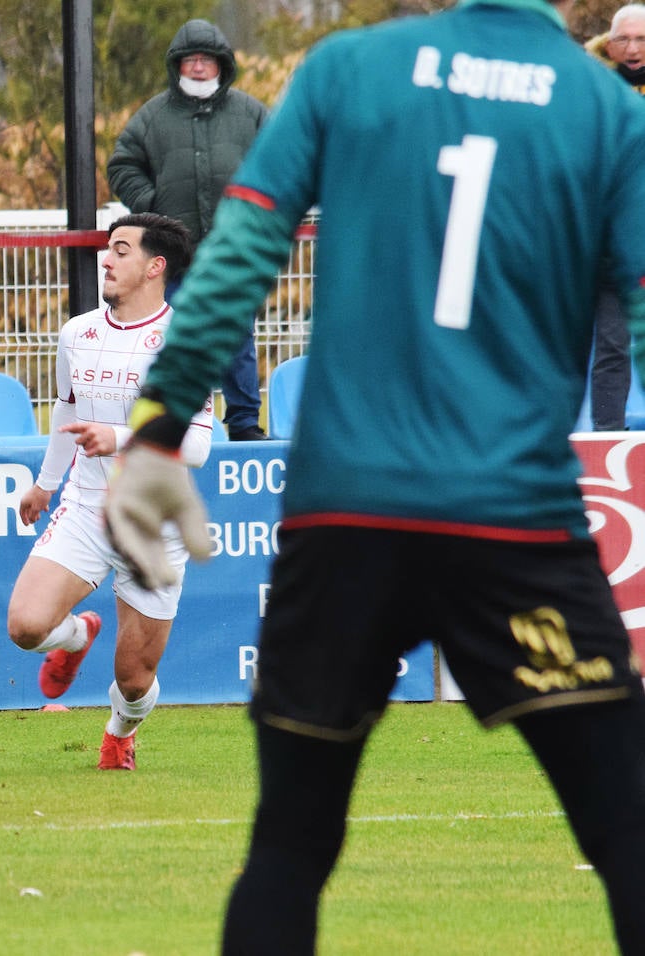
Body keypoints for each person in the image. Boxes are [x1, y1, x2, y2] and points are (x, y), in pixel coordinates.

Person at [102, 0, 645, 950]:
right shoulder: (608, 109)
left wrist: (155, 426)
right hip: (514, 525)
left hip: (344, 518)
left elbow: (239, 256)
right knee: (630, 835)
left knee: (290, 847)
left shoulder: (347, 69)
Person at [6, 213, 214, 771]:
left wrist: (119, 437)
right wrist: (46, 483)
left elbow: (196, 447)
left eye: (121, 250)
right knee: (26, 626)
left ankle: (120, 731)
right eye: (107, 249)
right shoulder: (78, 333)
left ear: (155, 266)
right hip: (86, 505)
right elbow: (67, 410)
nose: (106, 259)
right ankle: (77, 637)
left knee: (134, 675)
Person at [107, 19, 270, 441]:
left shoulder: (251, 114)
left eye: (207, 60)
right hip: (173, 257)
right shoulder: (152, 115)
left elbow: (278, 165)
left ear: (222, 65)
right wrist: (151, 205)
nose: (198, 68)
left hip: (232, 250)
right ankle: (168, 428)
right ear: (177, 66)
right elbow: (122, 165)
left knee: (236, 340)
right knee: (168, 339)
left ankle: (244, 424)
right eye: (190, 59)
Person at [586, 4, 645, 430]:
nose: (633, 48)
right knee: (612, 346)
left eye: (642, 39)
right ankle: (608, 436)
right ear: (609, 43)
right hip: (615, 244)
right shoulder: (591, 88)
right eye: (623, 39)